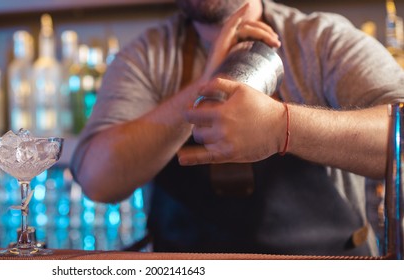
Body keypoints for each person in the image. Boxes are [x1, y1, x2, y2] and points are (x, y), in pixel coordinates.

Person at [70, 0, 404, 256]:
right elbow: (97, 180)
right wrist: (202, 87)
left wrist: (282, 127)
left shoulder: (322, 41)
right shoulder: (147, 57)